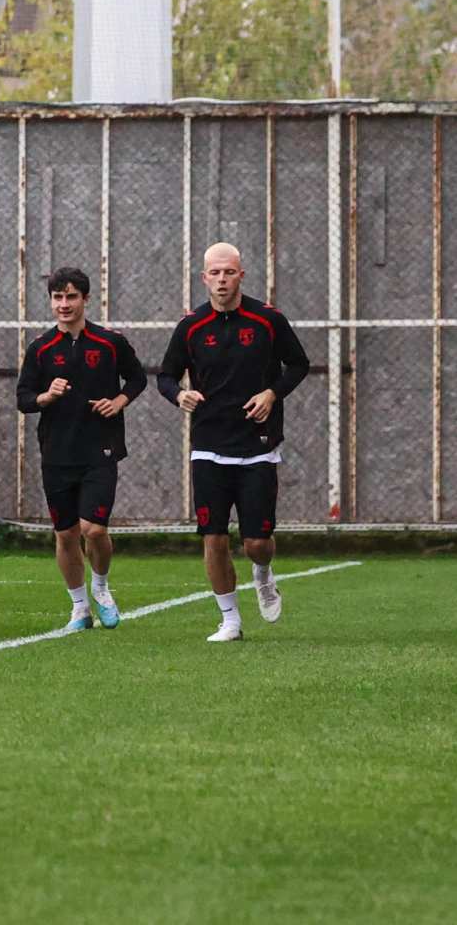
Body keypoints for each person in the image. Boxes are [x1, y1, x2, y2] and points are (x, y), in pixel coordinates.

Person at [157, 242, 310, 642]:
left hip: (257, 446)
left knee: (256, 542)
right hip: (208, 445)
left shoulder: (268, 320)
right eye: (215, 273)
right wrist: (179, 395)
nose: (222, 280)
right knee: (214, 536)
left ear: (241, 275)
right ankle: (230, 621)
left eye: (229, 272)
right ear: (204, 277)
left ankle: (263, 573)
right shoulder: (191, 326)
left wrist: (272, 394)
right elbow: (165, 376)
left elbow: (299, 364)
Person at [16, 267, 147, 631]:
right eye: (58, 297)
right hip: (57, 452)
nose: (64, 304)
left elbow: (138, 378)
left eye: (71, 296)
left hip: (100, 450)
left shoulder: (109, 342)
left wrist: (118, 401)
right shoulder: (40, 348)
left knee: (94, 529)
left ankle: (101, 588)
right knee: (65, 533)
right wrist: (47, 396)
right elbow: (24, 399)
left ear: (86, 299)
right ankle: (79, 607)